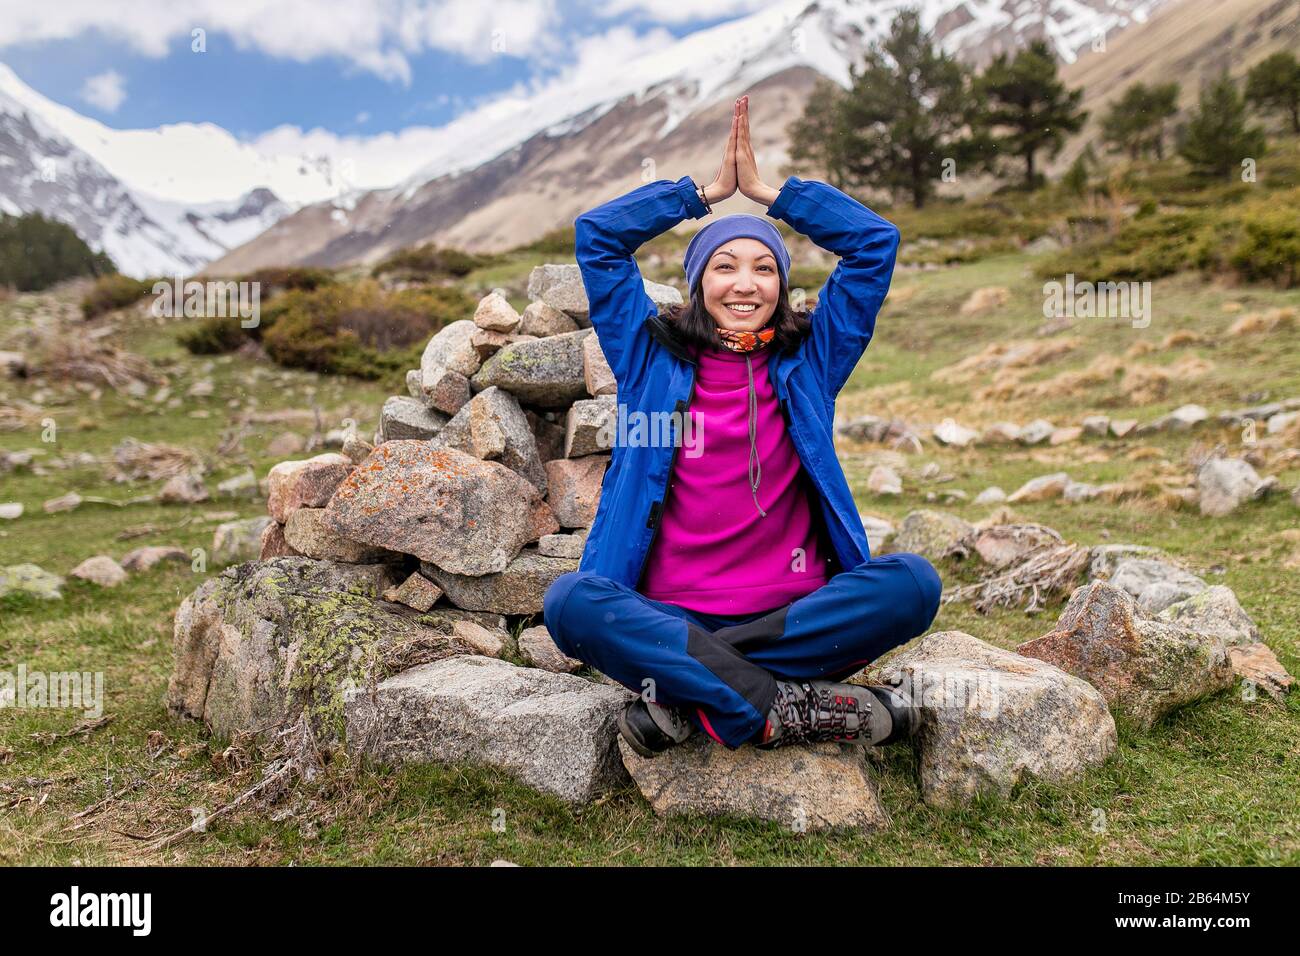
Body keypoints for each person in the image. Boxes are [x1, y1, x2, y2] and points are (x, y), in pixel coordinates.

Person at [542, 95, 942, 758]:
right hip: (671, 617)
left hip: (795, 618)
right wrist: (695, 196)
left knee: (913, 585)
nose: (745, 284)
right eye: (724, 267)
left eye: (763, 268)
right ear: (698, 285)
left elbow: (875, 245)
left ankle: (690, 697)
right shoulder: (650, 361)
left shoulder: (810, 363)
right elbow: (599, 237)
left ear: (782, 290)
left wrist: (771, 195)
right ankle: (778, 707)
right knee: (572, 605)